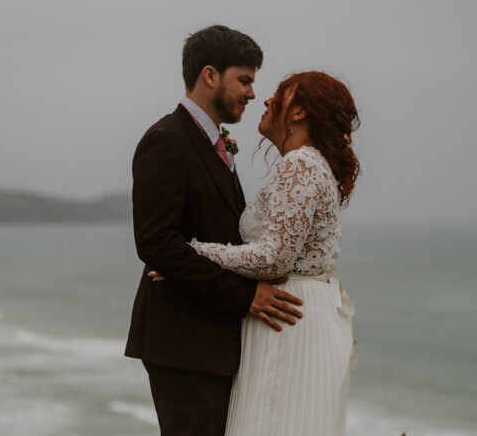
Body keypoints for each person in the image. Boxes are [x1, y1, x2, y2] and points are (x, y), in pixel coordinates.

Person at [150, 71, 360, 436]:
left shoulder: (300, 164)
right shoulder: (310, 163)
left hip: (287, 315)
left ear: (299, 112)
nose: (264, 99)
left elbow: (274, 258)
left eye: (280, 93)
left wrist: (193, 252)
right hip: (297, 309)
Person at [125, 25, 305, 436]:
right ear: (210, 75)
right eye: (244, 80)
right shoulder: (165, 141)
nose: (251, 93)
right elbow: (156, 243)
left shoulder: (216, 145)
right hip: (184, 342)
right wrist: (245, 295)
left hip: (211, 340)